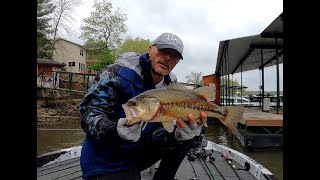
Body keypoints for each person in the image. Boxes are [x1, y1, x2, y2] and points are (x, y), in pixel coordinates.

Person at [79, 32, 207, 180]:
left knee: (187, 137)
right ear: (150, 49)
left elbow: (158, 132)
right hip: (107, 160)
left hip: (139, 152)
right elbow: (88, 113)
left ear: (177, 62)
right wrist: (114, 129)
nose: (167, 57)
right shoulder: (115, 73)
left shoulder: (171, 86)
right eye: (163, 50)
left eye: (174, 55)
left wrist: (176, 135)